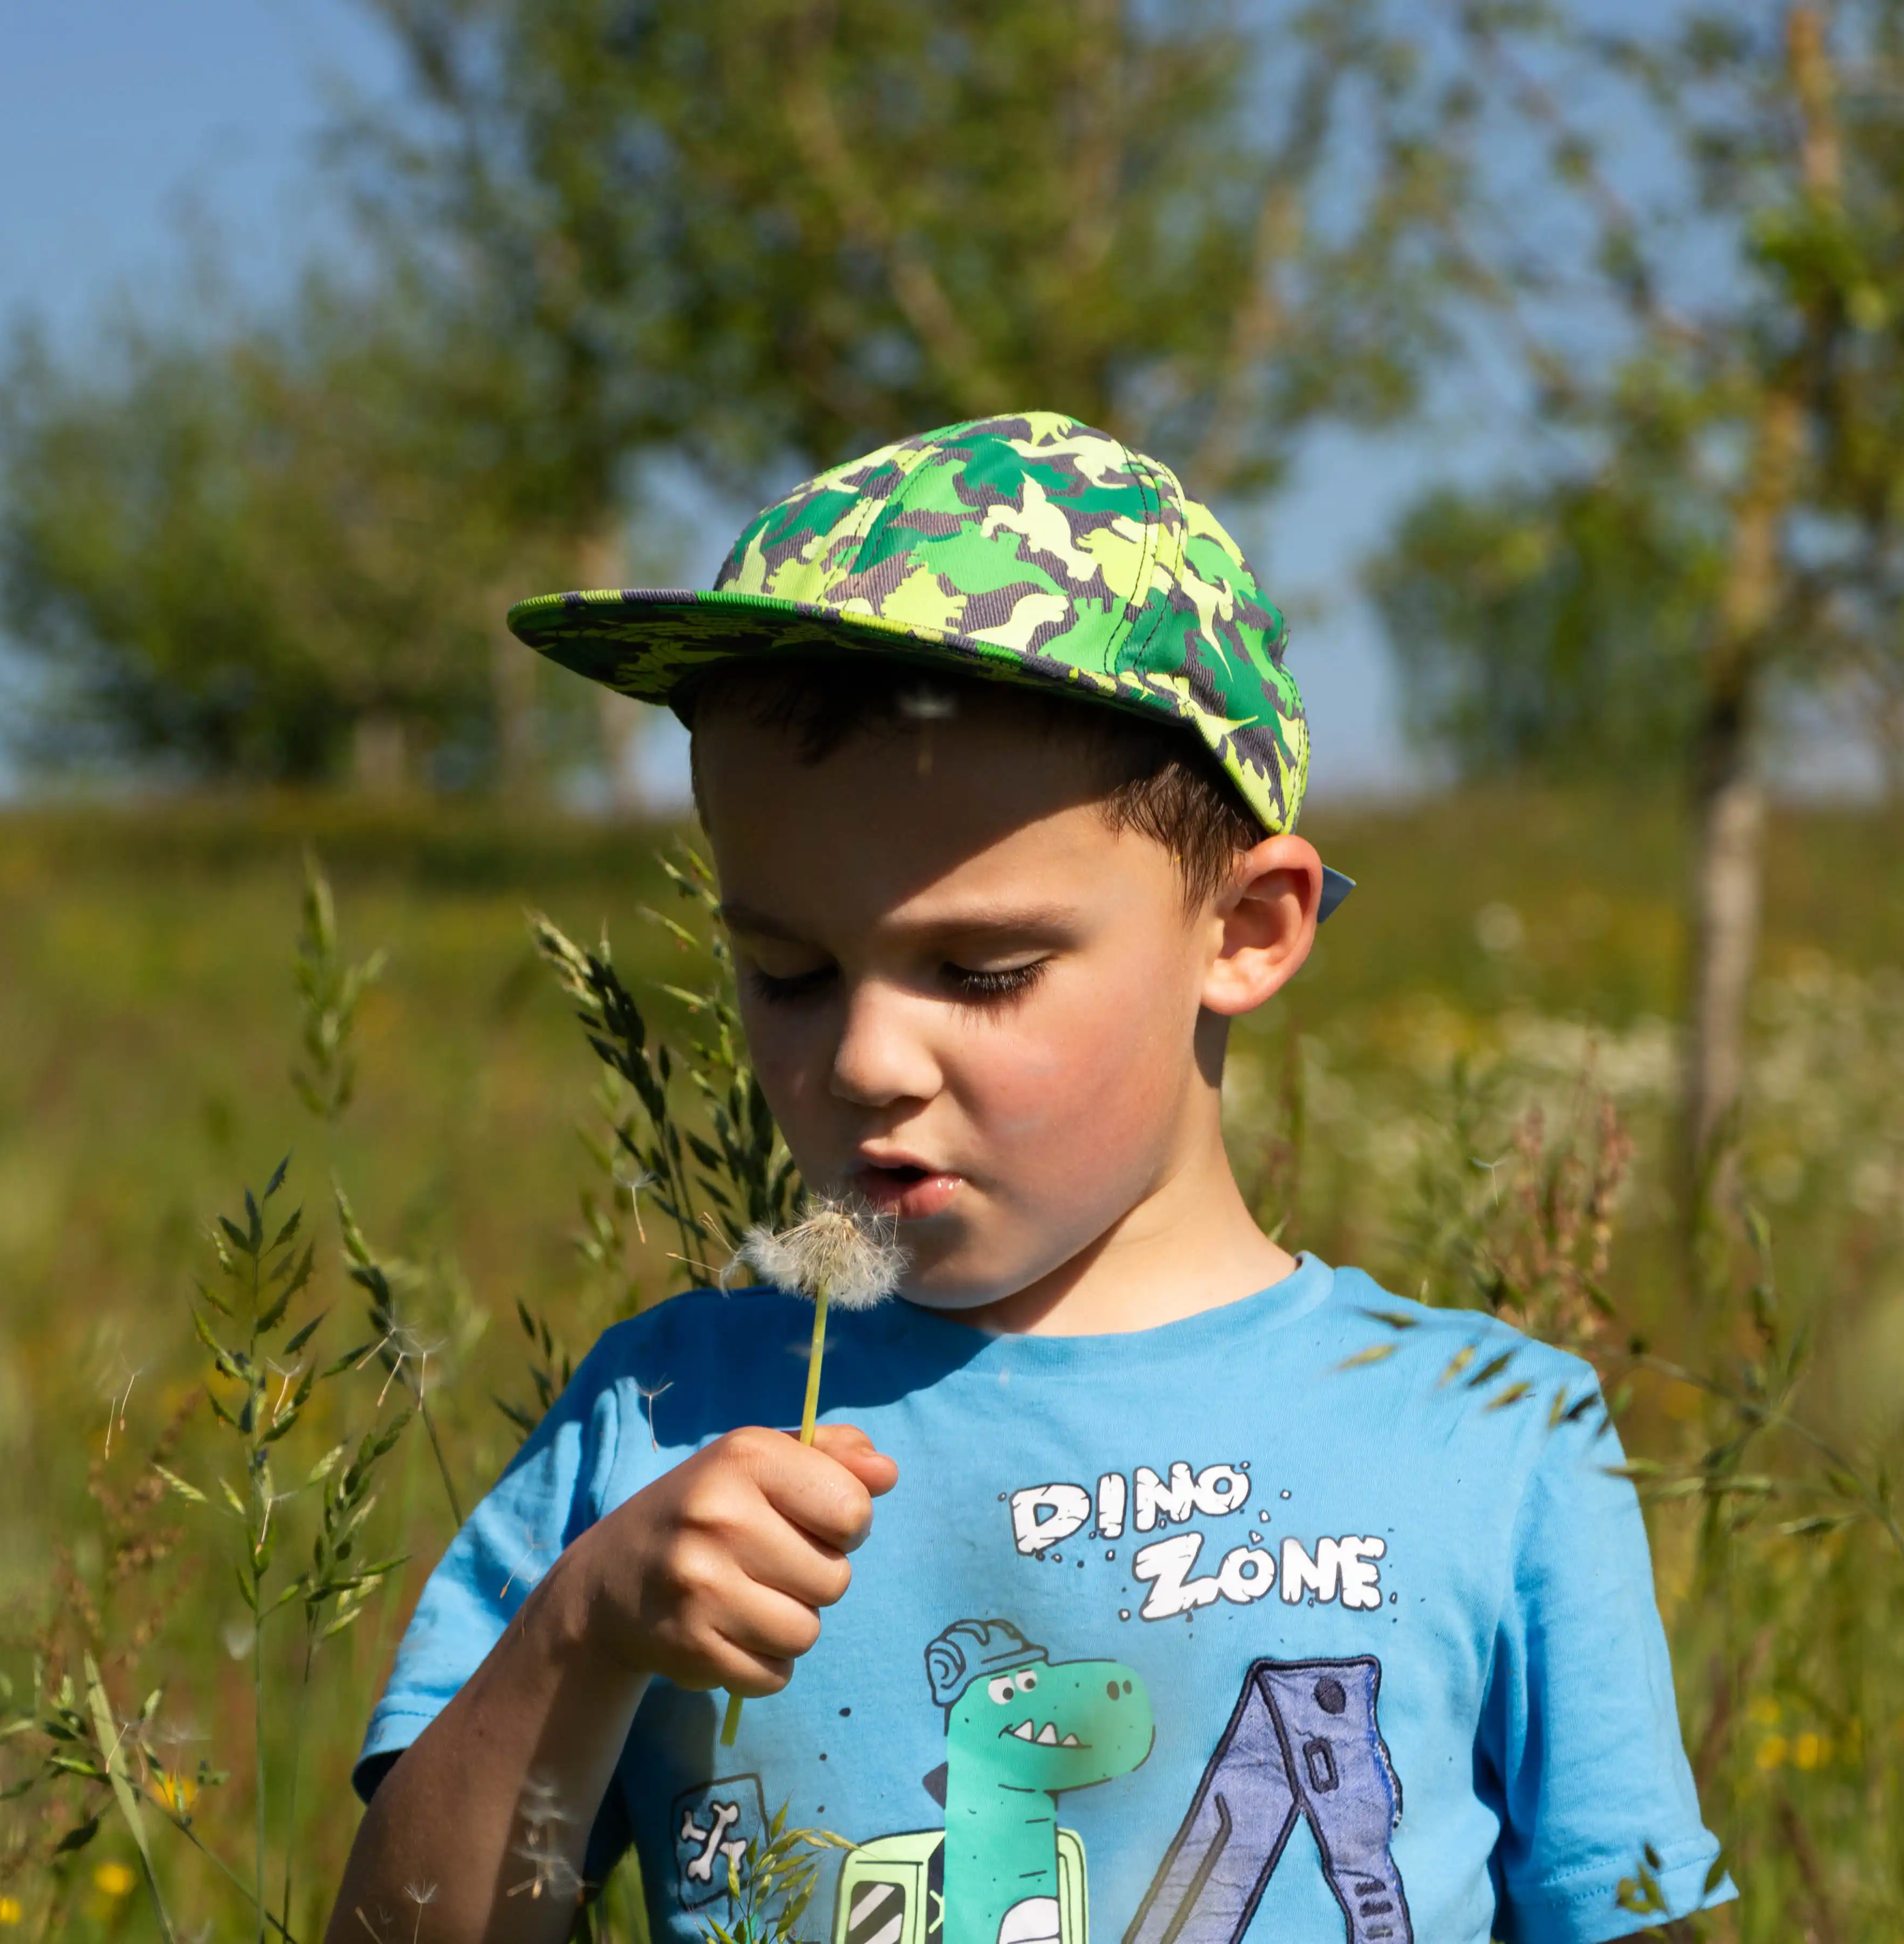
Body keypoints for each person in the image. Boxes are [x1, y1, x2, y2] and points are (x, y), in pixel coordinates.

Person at [332, 413, 1728, 1944]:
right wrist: (581, 1633)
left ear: (1248, 930)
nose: (865, 1057)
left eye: (983, 971)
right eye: (786, 971)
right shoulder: (661, 1426)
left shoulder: (1492, 1439)